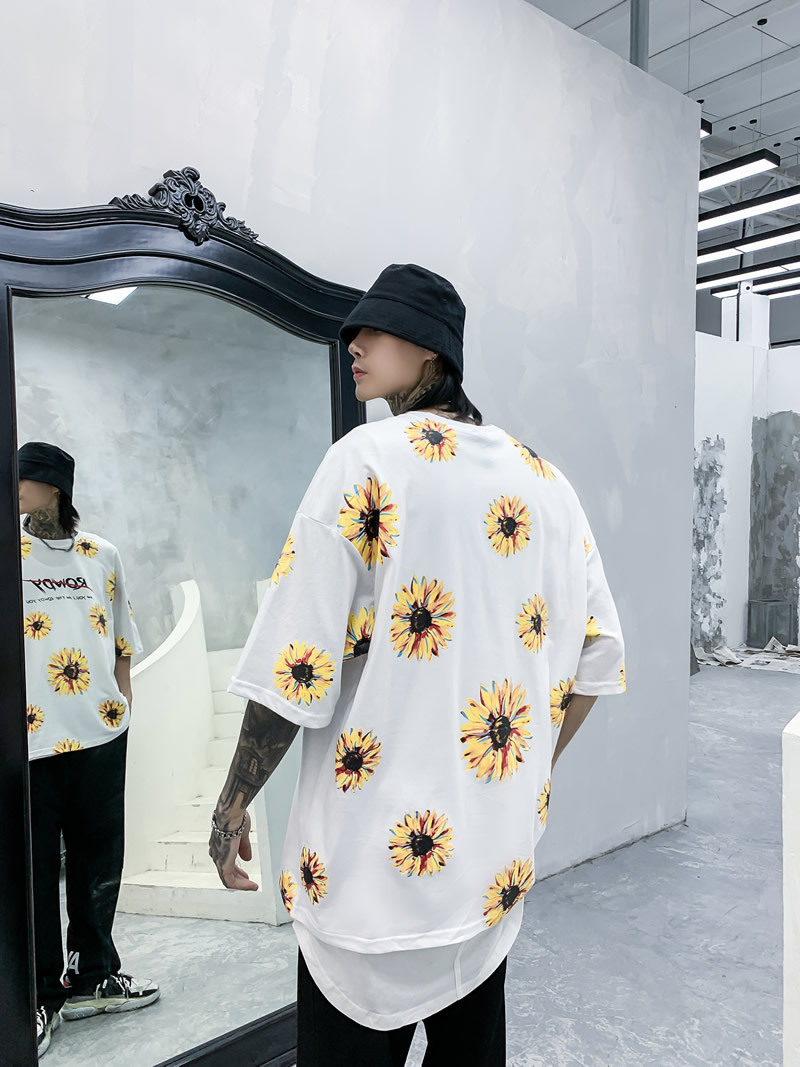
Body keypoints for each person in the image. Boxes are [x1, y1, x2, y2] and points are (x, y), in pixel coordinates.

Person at [209, 263, 626, 1065]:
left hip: (369, 885)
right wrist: (524, 768)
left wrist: (231, 810)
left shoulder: (364, 461)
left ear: (432, 351)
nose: (353, 344)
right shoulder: (545, 482)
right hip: (488, 871)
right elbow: (599, 653)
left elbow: (294, 668)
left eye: (375, 329)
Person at [18, 442, 160, 1058]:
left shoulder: (100, 555)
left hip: (100, 732)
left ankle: (94, 976)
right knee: (32, 874)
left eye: (24, 479)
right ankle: (38, 995)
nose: (15, 488)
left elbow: (122, 637)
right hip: (30, 740)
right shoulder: (9, 554)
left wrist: (124, 707)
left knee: (99, 862)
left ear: (54, 488)